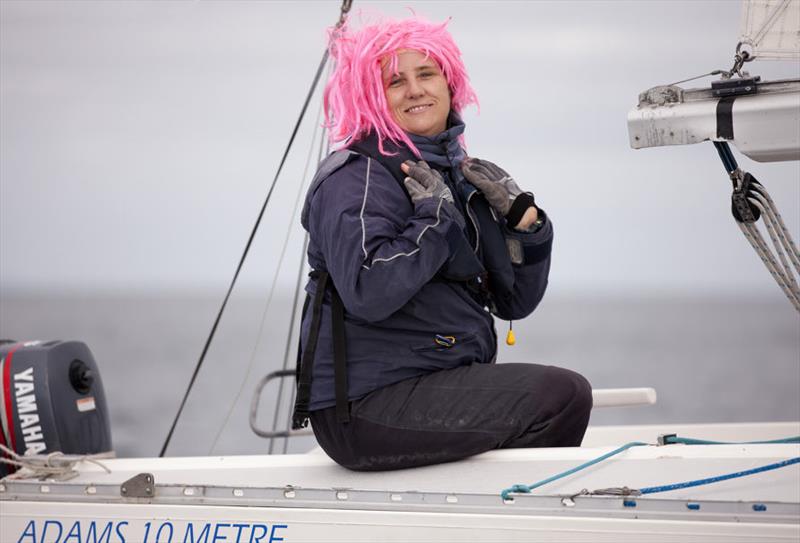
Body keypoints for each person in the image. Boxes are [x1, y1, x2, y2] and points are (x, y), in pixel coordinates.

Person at [294, 15, 592, 471]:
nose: (415, 89)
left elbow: (513, 301)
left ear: (450, 83)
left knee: (557, 396)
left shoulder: (455, 173)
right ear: (370, 97)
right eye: (395, 81)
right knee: (562, 396)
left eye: (427, 73)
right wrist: (435, 217)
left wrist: (524, 225)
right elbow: (368, 291)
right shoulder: (355, 177)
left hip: (437, 380)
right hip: (362, 407)